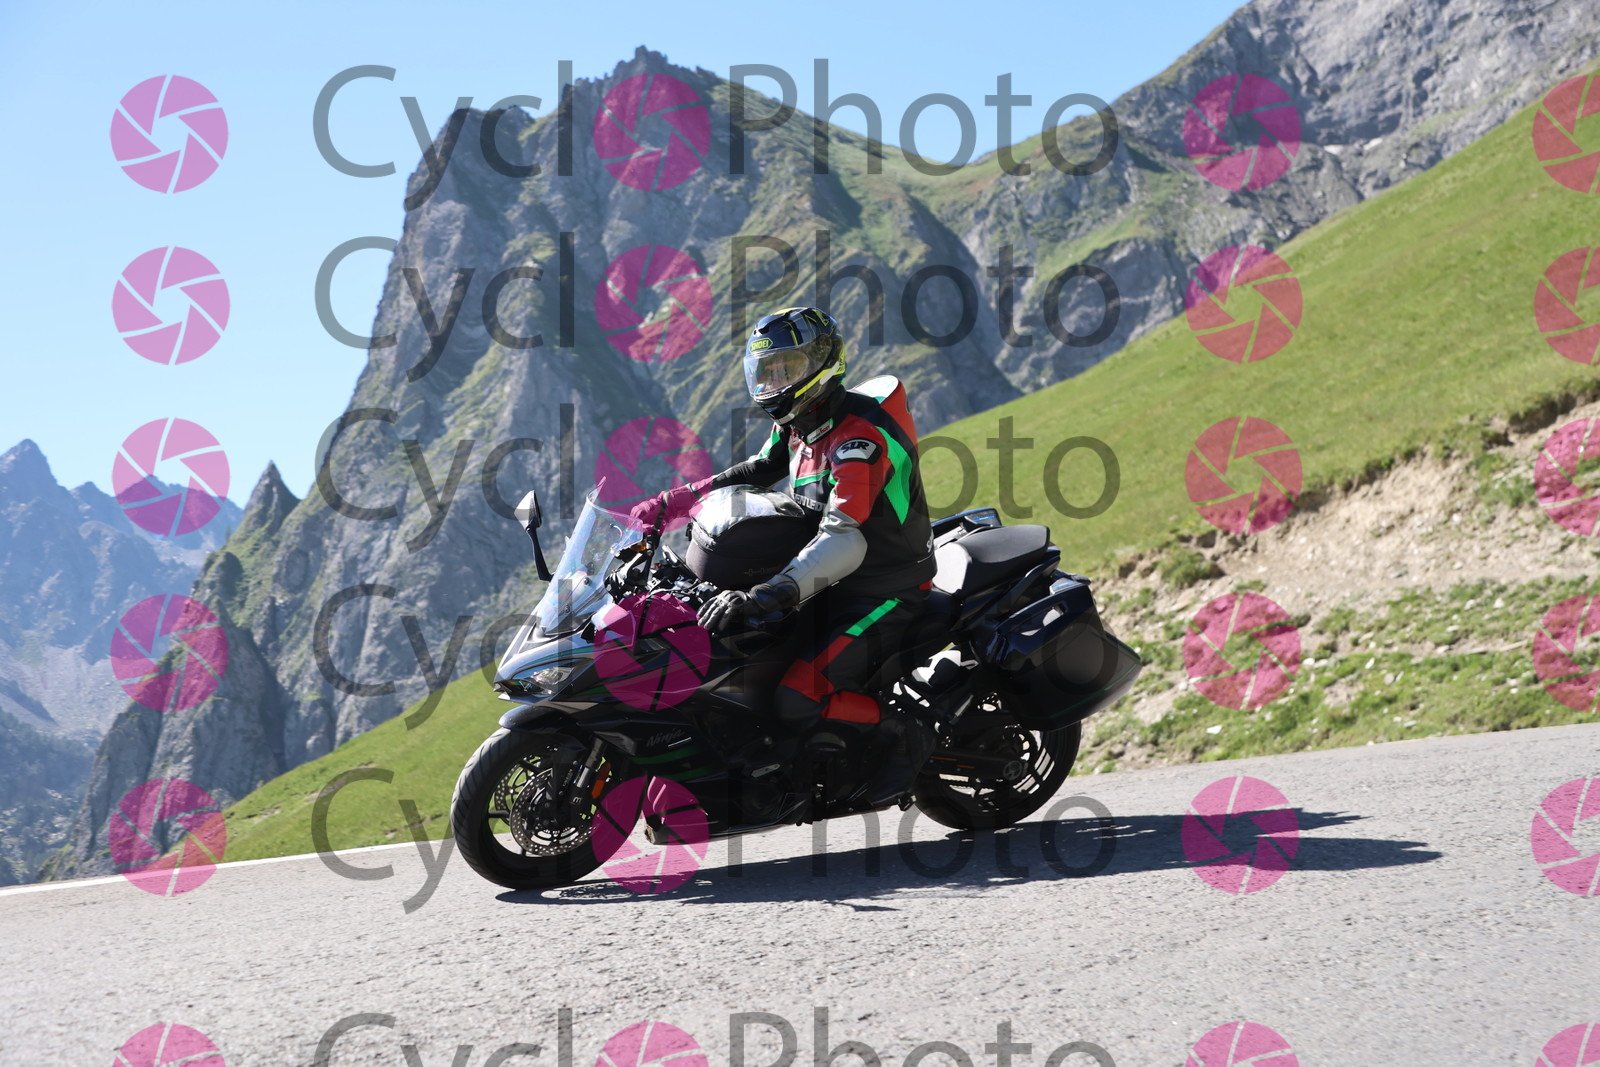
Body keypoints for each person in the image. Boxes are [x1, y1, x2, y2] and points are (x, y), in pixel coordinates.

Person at [629, 306, 937, 813]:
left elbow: (845, 538)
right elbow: (758, 468)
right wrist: (671, 504)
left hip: (882, 587)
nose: (774, 383)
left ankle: (906, 732)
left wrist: (765, 594)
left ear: (823, 363)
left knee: (797, 696)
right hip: (825, 573)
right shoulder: (802, 421)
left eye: (787, 369)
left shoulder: (857, 441)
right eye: (766, 371)